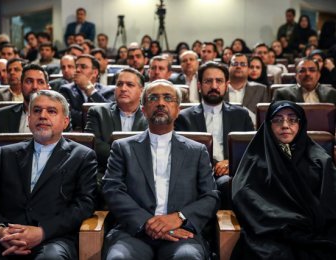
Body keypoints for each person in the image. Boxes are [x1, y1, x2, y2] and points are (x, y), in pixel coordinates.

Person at [102, 79, 220, 260]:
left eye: (168, 98)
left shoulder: (196, 151)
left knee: (187, 257)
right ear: (143, 109)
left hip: (182, 232)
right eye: (153, 98)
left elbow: (210, 196)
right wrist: (148, 223)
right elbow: (112, 190)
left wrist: (179, 217)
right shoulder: (122, 147)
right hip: (134, 232)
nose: (161, 103)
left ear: (178, 110)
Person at [0, 90, 98, 259]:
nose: (43, 116)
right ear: (29, 119)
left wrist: (42, 232)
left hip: (52, 238)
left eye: (52, 111)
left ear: (65, 121)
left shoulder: (82, 156)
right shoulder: (6, 154)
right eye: (37, 110)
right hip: (3, 237)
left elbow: (84, 206)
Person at [231, 100, 336, 259]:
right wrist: (286, 220)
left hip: (313, 230)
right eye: (278, 119)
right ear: (268, 125)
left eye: (292, 119)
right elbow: (245, 197)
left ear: (301, 124)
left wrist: (306, 222)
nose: (285, 125)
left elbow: (329, 203)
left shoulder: (320, 160)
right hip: (269, 232)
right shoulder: (256, 159)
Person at [174, 61, 254, 208]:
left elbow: (251, 150)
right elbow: (180, 154)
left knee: (229, 183)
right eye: (208, 81)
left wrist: (231, 163)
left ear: (226, 85)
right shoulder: (184, 117)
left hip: (230, 174)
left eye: (219, 81)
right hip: (196, 175)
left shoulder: (241, 114)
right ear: (199, 85)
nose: (214, 86)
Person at [84, 67, 148, 176]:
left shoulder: (150, 116)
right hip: (105, 173)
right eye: (119, 84)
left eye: (130, 85)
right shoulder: (98, 112)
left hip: (142, 174)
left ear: (141, 91)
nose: (123, 88)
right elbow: (94, 147)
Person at [59, 54, 112, 130]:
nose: (77, 70)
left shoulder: (108, 91)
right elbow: (68, 116)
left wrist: (90, 90)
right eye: (76, 66)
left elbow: (109, 115)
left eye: (83, 67)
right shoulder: (66, 90)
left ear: (95, 72)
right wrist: (97, 118)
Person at [225, 53, 269, 124]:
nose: (239, 66)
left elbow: (264, 119)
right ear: (228, 67)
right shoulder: (219, 89)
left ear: (248, 69)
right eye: (235, 64)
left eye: (243, 64)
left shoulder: (261, 89)